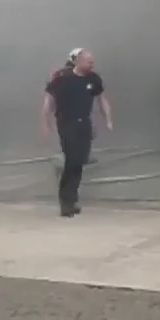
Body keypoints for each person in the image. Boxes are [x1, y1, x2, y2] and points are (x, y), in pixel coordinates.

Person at [42, 49, 111, 218]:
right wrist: (45, 124)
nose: (92, 65)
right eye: (89, 62)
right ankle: (65, 201)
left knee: (79, 161)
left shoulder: (93, 79)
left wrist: (108, 119)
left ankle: (71, 200)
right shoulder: (61, 79)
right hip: (67, 123)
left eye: (93, 62)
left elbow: (102, 100)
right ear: (78, 62)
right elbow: (48, 103)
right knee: (72, 159)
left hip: (84, 123)